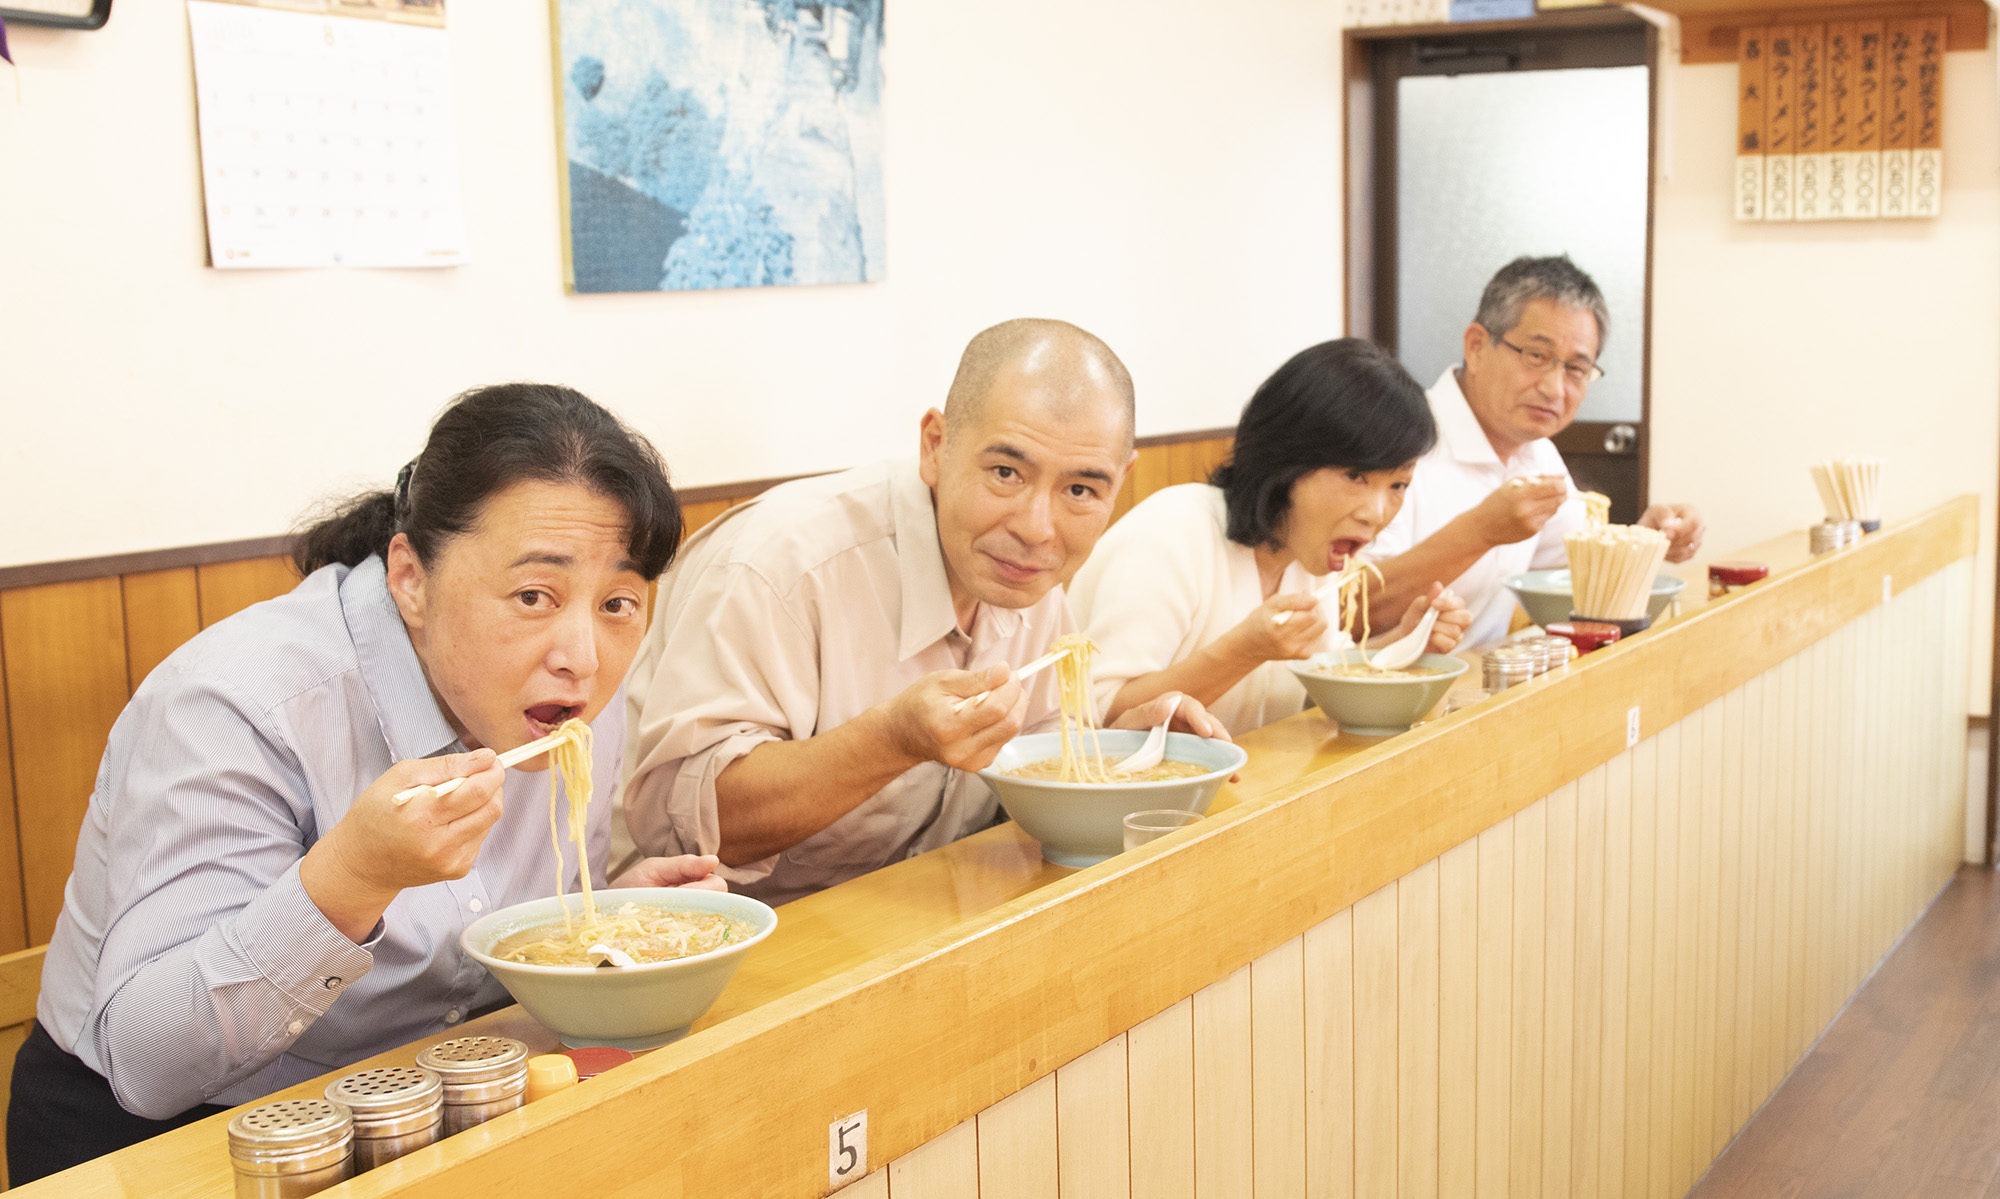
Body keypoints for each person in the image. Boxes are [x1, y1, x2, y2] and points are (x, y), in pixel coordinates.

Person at [11, 384, 722, 1183]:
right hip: (176, 1140)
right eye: (534, 595)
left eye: (619, 601)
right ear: (411, 578)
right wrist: (355, 876)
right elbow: (146, 1059)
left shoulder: (569, 696)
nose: (584, 656)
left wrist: (605, 919)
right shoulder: (235, 704)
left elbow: (485, 918)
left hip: (435, 1107)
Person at [623, 319, 1225, 905]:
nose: (1037, 528)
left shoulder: (1028, 580)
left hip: (923, 917)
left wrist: (1121, 754)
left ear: (1120, 482)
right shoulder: (782, 565)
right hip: (707, 942)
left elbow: (1031, 753)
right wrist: (892, 740)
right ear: (935, 446)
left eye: (1080, 491)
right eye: (1005, 472)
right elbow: (692, 826)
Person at [1069, 338, 1472, 736]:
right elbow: (1099, 711)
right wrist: (1245, 650)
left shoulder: (1311, 556)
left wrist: (1406, 643)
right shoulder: (1170, 534)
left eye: (1398, 485)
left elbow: (1317, 690)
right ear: (1288, 461)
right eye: (1356, 477)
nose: (1377, 512)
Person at [1365, 256, 1706, 648]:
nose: (1554, 389)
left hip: (1479, 691)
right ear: (1476, 346)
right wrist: (1481, 530)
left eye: (1576, 369)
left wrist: (1646, 542)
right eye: (1537, 356)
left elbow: (1579, 576)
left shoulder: (1537, 453)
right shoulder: (1396, 440)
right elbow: (1354, 609)